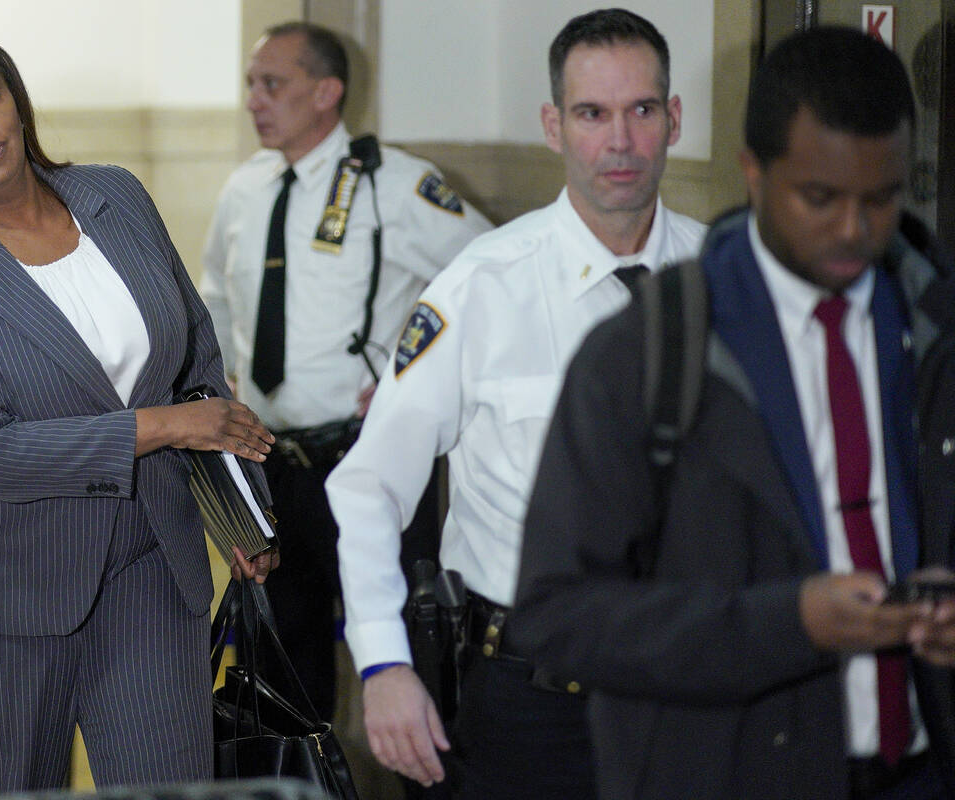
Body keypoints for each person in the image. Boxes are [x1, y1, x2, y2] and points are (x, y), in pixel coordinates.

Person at [512, 25, 955, 800]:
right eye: (819, 197)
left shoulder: (935, 331)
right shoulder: (646, 354)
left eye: (880, 199)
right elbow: (560, 617)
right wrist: (790, 623)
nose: (853, 229)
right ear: (753, 174)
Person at [0, 31, 276, 796]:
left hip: (149, 565)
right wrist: (167, 429)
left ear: (17, 102)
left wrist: (240, 516)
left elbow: (194, 366)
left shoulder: (116, 197)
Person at [325, 9, 705, 797]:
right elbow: (367, 488)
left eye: (641, 110)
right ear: (553, 126)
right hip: (529, 702)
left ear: (674, 120)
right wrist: (385, 661)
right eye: (592, 114)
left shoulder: (727, 279)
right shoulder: (481, 287)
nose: (621, 140)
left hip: (689, 691)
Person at [200, 21, 491, 721]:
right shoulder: (246, 188)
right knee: (279, 675)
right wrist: (225, 378)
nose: (254, 100)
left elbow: (485, 281)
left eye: (272, 83)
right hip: (271, 466)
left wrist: (409, 372)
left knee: (408, 662)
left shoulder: (394, 183)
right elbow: (212, 293)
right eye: (250, 83)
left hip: (368, 460)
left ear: (327, 92)